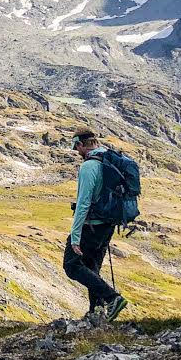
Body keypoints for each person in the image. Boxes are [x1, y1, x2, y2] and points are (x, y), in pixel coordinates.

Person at [65, 130, 128, 322]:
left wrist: (75, 237)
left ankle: (112, 298)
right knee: (92, 267)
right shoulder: (109, 159)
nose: (77, 152)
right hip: (107, 225)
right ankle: (96, 313)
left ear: (81, 145)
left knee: (72, 265)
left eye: (76, 148)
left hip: (91, 226)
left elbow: (83, 203)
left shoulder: (89, 167)